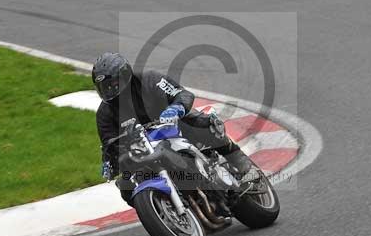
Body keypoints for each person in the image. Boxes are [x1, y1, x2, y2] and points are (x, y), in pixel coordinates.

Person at [92, 52, 255, 205]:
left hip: (174, 127)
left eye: (113, 84)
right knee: (126, 185)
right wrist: (108, 162)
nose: (110, 90)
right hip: (146, 150)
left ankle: (240, 162)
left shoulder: (150, 80)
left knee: (202, 124)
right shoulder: (104, 113)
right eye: (104, 87)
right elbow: (109, 144)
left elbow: (182, 94)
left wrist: (175, 109)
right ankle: (162, 208)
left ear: (125, 75)